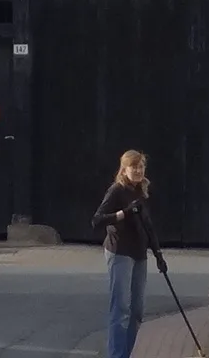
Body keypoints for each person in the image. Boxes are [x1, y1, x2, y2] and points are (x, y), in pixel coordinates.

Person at [91, 149, 151, 358]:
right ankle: (117, 355)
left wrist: (158, 253)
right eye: (133, 167)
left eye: (141, 166)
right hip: (120, 252)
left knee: (137, 311)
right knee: (122, 308)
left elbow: (147, 224)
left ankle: (128, 352)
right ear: (124, 169)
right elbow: (97, 219)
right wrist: (122, 214)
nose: (138, 170)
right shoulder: (117, 191)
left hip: (139, 253)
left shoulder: (140, 191)